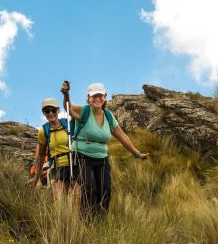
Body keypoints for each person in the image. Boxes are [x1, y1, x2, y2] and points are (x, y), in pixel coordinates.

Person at [61, 81, 148, 218]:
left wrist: (137, 153)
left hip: (102, 158)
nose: (97, 99)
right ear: (88, 98)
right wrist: (66, 94)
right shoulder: (83, 111)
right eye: (94, 96)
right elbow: (68, 108)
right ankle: (86, 221)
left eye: (100, 95)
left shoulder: (108, 116)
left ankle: (100, 221)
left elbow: (122, 137)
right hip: (81, 156)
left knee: (106, 192)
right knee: (89, 189)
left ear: (105, 97)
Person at [28, 98, 78, 195]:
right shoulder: (43, 131)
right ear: (43, 113)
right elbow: (41, 156)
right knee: (60, 202)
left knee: (76, 198)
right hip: (56, 167)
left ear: (58, 110)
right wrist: (36, 178)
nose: (51, 113)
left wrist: (66, 94)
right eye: (47, 111)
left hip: (74, 165)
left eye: (53, 110)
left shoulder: (67, 124)